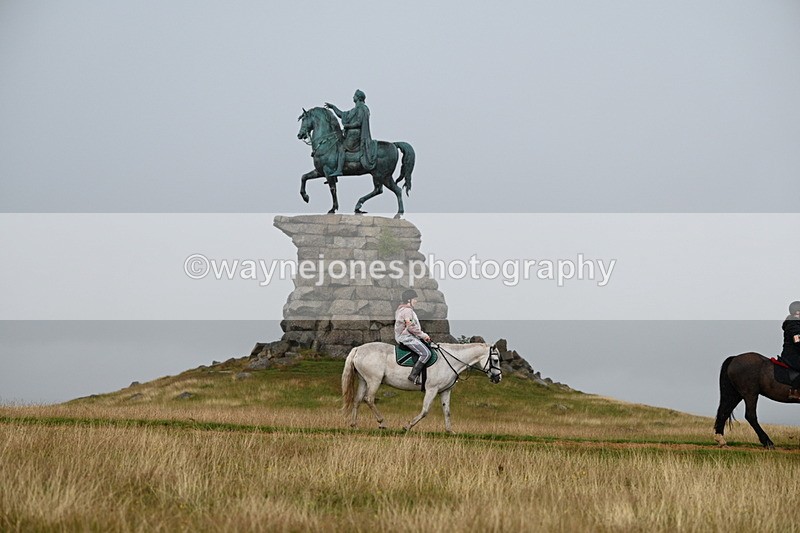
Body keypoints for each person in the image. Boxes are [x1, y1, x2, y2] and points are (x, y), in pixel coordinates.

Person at [324, 89, 378, 177]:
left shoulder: (362, 108)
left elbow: (359, 122)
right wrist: (333, 107)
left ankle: (339, 170)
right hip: (351, 134)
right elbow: (342, 114)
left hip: (355, 135)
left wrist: (348, 126)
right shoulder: (355, 109)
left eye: (354, 95)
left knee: (341, 148)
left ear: (358, 97)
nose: (353, 97)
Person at [394, 289, 432, 383]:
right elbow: (410, 327)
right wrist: (424, 336)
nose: (416, 301)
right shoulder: (407, 311)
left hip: (407, 336)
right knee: (426, 354)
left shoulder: (402, 309)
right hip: (406, 337)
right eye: (414, 299)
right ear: (408, 300)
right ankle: (413, 375)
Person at [781, 301, 800, 399]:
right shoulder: (794, 323)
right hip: (792, 355)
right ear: (797, 312)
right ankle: (794, 391)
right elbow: (797, 340)